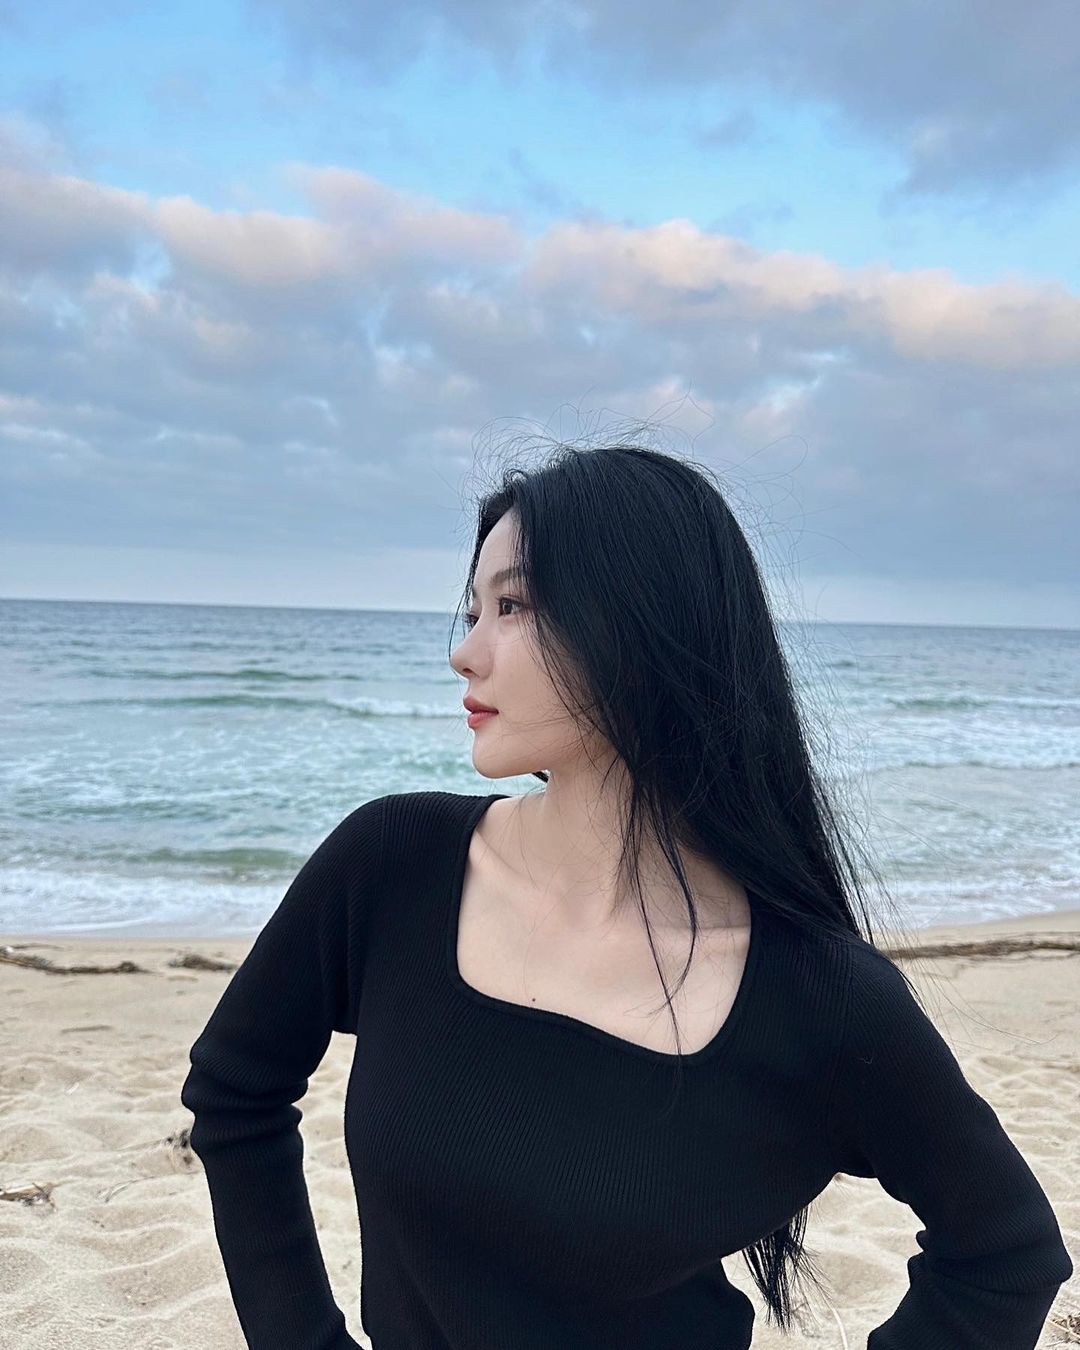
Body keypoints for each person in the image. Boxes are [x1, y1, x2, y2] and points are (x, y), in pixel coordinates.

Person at [181, 443, 1072, 1349]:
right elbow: (235, 1092)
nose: (464, 652)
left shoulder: (815, 991)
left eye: (513, 606)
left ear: (640, 622)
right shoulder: (393, 865)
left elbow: (1004, 1254)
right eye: (474, 608)